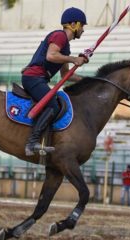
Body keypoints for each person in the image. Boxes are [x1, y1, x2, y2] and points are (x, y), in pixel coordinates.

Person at [22, 7, 89, 156]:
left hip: (39, 79)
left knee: (53, 103)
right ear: (74, 24)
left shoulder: (65, 47)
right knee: (52, 104)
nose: (83, 30)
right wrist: (73, 59)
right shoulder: (60, 36)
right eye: (82, 25)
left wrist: (87, 81)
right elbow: (51, 56)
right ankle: (31, 143)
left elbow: (66, 75)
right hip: (33, 77)